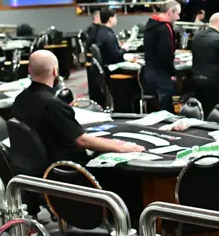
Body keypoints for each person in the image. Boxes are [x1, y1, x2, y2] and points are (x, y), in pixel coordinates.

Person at [12, 50, 142, 163]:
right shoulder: (54, 106)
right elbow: (82, 141)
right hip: (66, 170)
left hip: (39, 167)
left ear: (29, 70)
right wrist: (119, 146)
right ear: (55, 71)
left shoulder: (19, 99)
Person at [142, 0, 180, 111]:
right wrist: (172, 72)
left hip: (149, 71)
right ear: (170, 12)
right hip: (161, 74)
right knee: (166, 109)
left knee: (157, 107)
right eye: (177, 13)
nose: (178, 17)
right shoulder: (165, 28)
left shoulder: (150, 24)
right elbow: (166, 54)